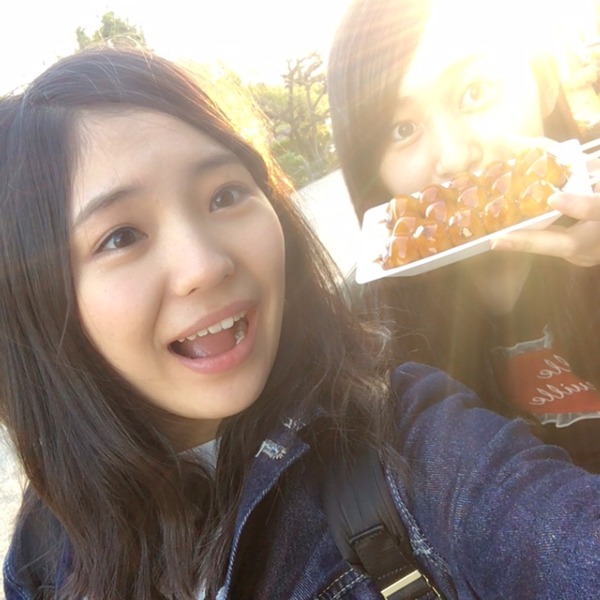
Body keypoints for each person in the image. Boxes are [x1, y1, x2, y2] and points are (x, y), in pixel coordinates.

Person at [3, 47, 600, 600]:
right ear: (30, 303)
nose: (205, 265)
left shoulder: (413, 440)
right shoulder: (40, 558)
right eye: (120, 236)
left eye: (224, 194)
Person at [328, 0, 600, 472]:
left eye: (475, 92)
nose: (454, 156)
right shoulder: (369, 332)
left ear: (544, 82)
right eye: (402, 128)